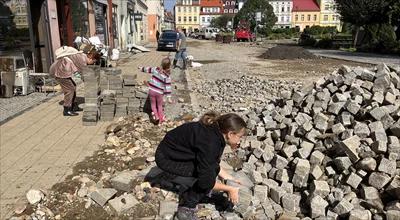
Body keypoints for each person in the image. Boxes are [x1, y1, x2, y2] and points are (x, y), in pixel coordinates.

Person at [155, 111, 247, 220]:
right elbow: (206, 180)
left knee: (210, 170)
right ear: (230, 134)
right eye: (240, 137)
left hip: (175, 151)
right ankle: (186, 206)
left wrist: (228, 177)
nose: (240, 141)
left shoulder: (215, 130)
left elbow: (212, 161)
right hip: (167, 158)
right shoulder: (211, 142)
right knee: (207, 178)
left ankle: (201, 193)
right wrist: (229, 189)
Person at [49, 46, 98, 116]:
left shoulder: (82, 56)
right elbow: (84, 76)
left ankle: (74, 106)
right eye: (93, 62)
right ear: (91, 58)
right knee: (69, 89)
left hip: (61, 70)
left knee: (73, 86)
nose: (93, 63)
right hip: (58, 71)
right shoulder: (82, 60)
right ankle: (67, 110)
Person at [138, 57, 172, 124]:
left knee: (153, 105)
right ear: (169, 66)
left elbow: (148, 69)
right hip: (159, 93)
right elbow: (168, 87)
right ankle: (161, 118)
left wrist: (141, 68)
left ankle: (156, 116)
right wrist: (169, 97)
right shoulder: (167, 77)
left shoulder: (156, 69)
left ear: (161, 64)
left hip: (152, 91)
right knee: (159, 106)